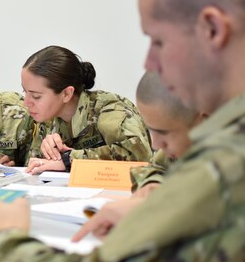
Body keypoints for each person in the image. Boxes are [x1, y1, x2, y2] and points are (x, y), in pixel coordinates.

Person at [0, 0, 245, 262]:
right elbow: (161, 164)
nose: (150, 62)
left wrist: (1, 241)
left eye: (158, 41)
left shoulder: (231, 159)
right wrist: (152, 197)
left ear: (212, 29)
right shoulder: (225, 132)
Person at [71, 71, 204, 241]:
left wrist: (164, 205)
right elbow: (154, 167)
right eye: (151, 131)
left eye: (163, 132)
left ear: (204, 119)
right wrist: (152, 183)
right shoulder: (183, 139)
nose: (156, 144)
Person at [22, 45, 152, 174]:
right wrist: (48, 153)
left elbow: (139, 154)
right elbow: (34, 167)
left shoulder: (109, 111)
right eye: (25, 91)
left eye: (36, 96)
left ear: (67, 94)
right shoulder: (47, 117)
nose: (26, 103)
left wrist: (70, 159)